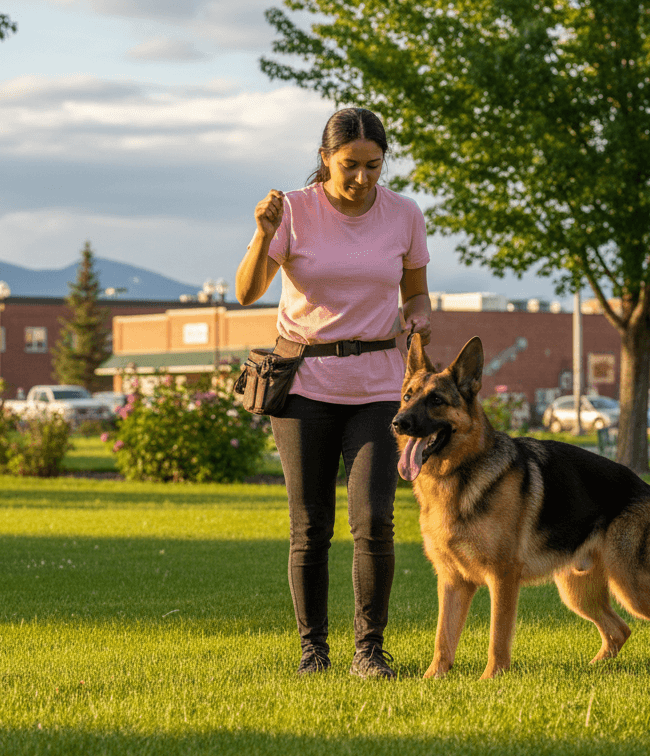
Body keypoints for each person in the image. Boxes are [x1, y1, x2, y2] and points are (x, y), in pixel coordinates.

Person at [235, 107, 432, 679]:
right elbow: (248, 293)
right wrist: (263, 234)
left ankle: (369, 651)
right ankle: (312, 652)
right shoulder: (293, 211)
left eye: (374, 166)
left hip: (378, 388)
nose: (363, 178)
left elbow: (416, 294)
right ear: (325, 160)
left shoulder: (404, 215)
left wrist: (418, 319)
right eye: (350, 165)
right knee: (311, 524)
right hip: (305, 388)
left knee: (374, 520)